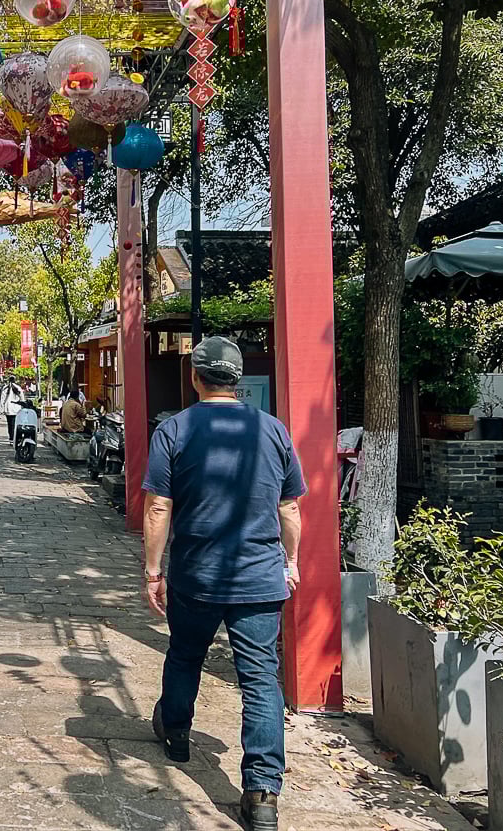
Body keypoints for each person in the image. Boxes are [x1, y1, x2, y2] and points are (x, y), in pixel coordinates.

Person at [141, 336, 304, 831]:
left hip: (197, 575)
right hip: (259, 576)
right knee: (259, 680)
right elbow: (290, 508)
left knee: (186, 654)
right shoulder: (273, 431)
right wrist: (290, 561)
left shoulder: (175, 430)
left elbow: (158, 506)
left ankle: (176, 732)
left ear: (195, 377)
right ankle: (261, 793)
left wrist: (153, 570)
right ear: (237, 381)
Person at [2, 376, 23, 442]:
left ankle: (11, 437)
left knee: (10, 424)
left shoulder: (5, 388)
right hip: (17, 409)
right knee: (16, 423)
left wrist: (2, 409)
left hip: (8, 408)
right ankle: (16, 437)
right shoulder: (18, 388)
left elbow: (2, 399)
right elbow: (22, 398)